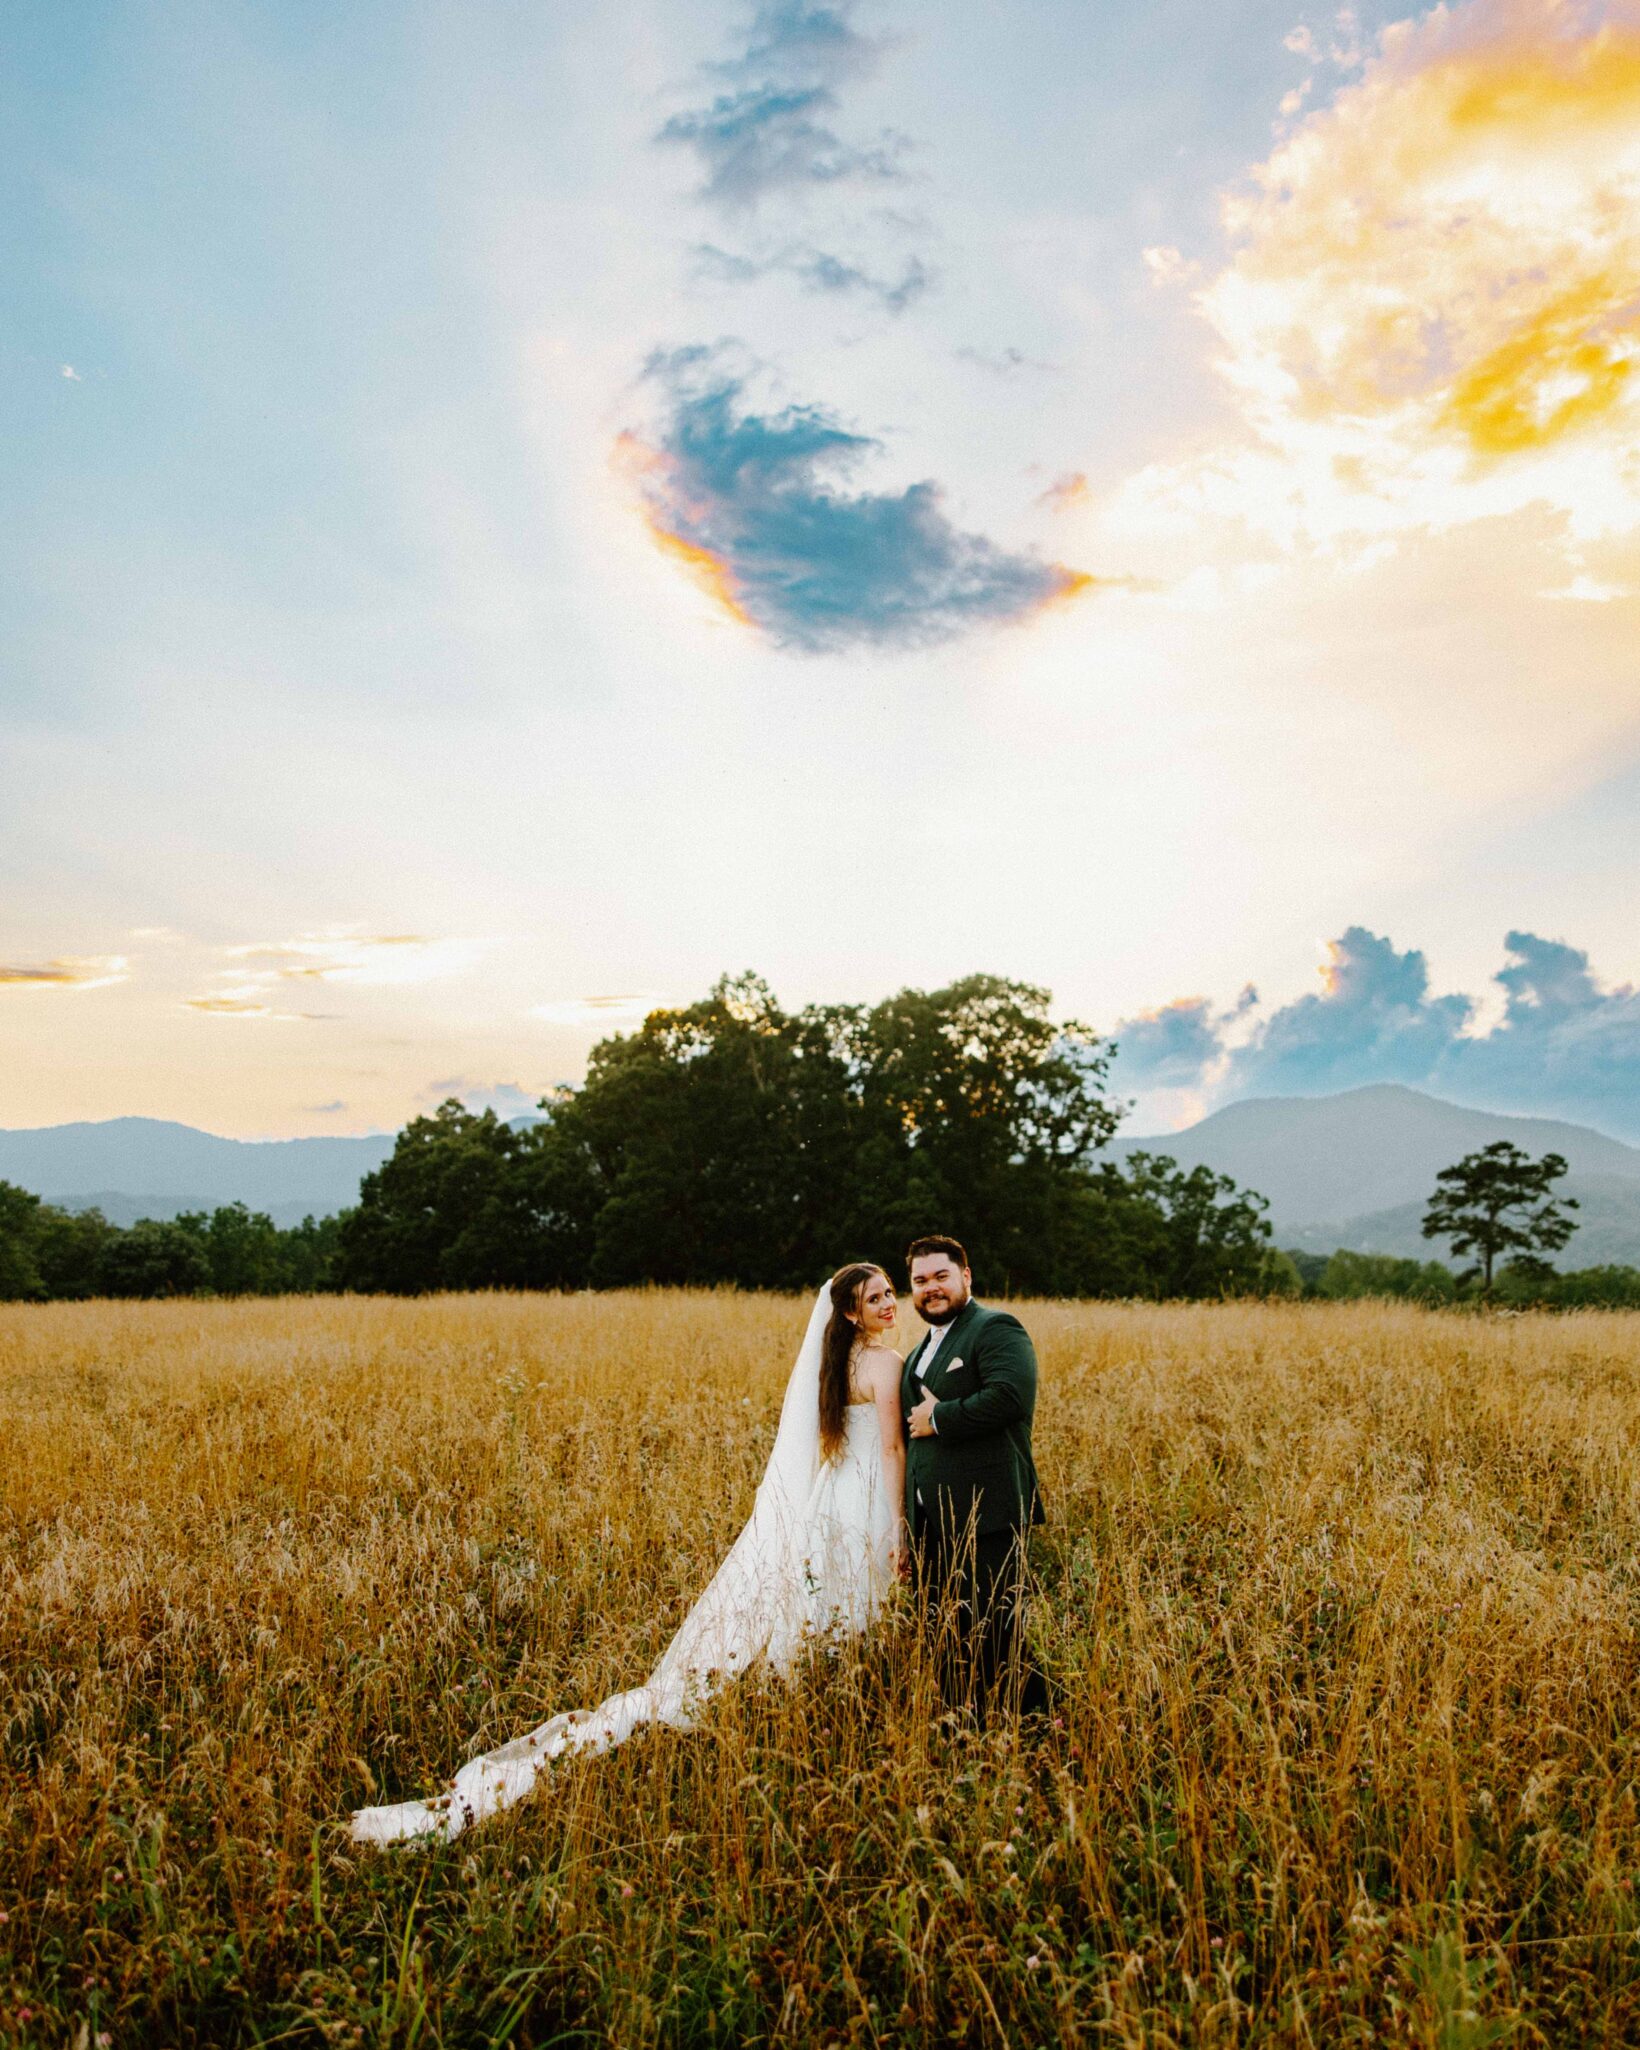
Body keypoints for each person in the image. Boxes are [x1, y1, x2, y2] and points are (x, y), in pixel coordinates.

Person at [350, 1262, 908, 1845]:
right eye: (876, 1298)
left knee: (825, 1601)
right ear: (850, 1312)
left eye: (891, 1293)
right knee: (849, 1603)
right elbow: (891, 1446)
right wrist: (897, 1520)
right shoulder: (885, 1363)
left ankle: (805, 1699)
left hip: (829, 1499)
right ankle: (828, 1707)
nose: (889, 1304)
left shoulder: (831, 1367)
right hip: (866, 1498)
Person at [902, 1234, 1048, 1719]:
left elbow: (1011, 1396)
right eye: (920, 1281)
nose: (931, 1288)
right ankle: (964, 1728)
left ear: (965, 1276)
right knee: (945, 1634)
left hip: (988, 1511)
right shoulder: (923, 1347)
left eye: (941, 1276)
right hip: (933, 1521)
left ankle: (1035, 1731)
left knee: (997, 1632)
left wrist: (939, 1419)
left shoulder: (995, 1327)